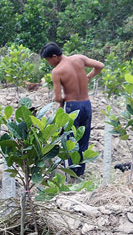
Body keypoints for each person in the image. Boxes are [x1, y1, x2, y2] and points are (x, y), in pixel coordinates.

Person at [39, 42, 104, 177]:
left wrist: (60, 107)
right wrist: (89, 77)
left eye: (48, 60)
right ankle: (80, 173)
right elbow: (100, 66)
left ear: (54, 56)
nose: (49, 63)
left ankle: (72, 174)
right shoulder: (79, 58)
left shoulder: (57, 71)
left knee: (70, 141)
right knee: (83, 140)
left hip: (72, 106)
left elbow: (58, 96)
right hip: (86, 105)